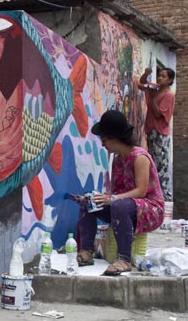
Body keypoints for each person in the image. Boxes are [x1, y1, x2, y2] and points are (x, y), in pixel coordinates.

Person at [72, 109, 165, 276]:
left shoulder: (139, 158)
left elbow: (141, 191)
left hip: (150, 209)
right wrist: (97, 197)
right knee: (88, 203)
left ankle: (124, 258)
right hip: (125, 204)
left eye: (105, 139)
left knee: (119, 205)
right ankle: (86, 252)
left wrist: (112, 198)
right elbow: (115, 191)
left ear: (116, 138)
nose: (102, 144)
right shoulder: (117, 160)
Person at [139, 66, 176, 202]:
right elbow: (141, 83)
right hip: (151, 131)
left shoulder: (168, 95)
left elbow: (158, 113)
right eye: (159, 75)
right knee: (154, 162)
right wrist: (146, 73)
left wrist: (153, 99)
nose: (160, 78)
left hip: (160, 133)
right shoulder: (155, 88)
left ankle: (163, 197)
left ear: (170, 80)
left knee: (161, 165)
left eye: (164, 76)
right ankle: (156, 194)